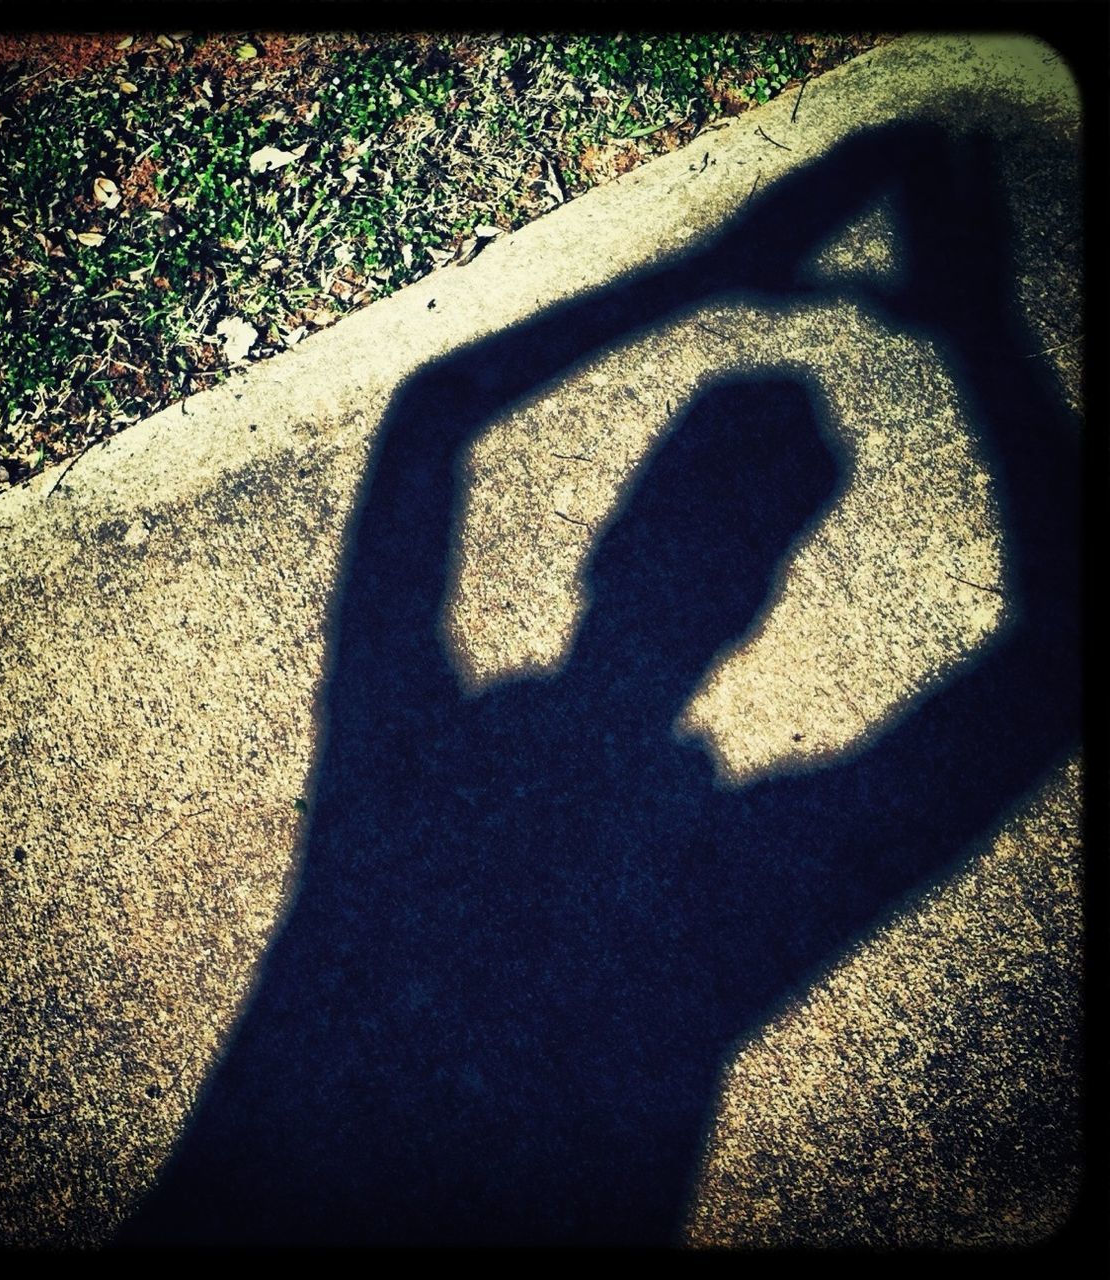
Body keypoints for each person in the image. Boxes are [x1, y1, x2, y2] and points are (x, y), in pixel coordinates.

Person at [119, 122, 1080, 1247]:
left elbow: (432, 414)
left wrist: (711, 269)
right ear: (755, 607)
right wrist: (979, 327)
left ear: (603, 542)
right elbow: (1051, 661)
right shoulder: (726, 898)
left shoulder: (401, 780)